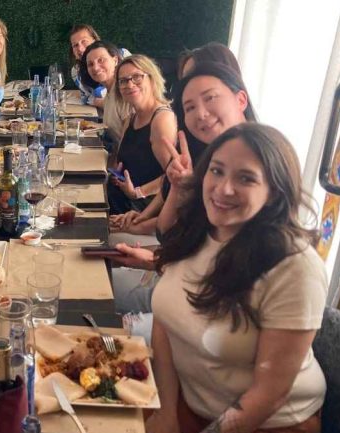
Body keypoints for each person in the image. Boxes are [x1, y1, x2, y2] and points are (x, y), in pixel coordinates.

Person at [146, 123, 326, 433]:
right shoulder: (198, 231)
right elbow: (164, 321)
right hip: (192, 403)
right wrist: (164, 411)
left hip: (267, 423)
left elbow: (270, 394)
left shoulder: (295, 266)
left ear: (274, 193)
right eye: (216, 171)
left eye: (246, 178)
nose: (224, 188)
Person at [110, 63, 257, 314]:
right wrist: (178, 188)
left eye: (210, 98)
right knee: (84, 275)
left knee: (93, 294)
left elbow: (224, 273)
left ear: (240, 99)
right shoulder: (208, 159)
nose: (200, 114)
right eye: (190, 107)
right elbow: (168, 233)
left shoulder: (258, 163)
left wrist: (157, 261)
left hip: (207, 311)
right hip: (176, 283)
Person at [108, 54, 177, 216]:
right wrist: (117, 173)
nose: (130, 84)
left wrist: (138, 192)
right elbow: (121, 160)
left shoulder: (161, 119)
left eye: (137, 77)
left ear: (152, 80)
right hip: (121, 198)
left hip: (145, 209)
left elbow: (172, 175)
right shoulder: (131, 118)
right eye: (123, 81)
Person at [79, 40, 129, 148]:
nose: (96, 68)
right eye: (90, 64)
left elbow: (128, 142)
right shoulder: (110, 91)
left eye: (101, 60)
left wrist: (112, 162)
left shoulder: (124, 92)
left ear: (115, 60)